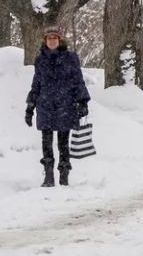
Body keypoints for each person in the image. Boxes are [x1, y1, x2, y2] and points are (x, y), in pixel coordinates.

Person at [25, 26, 90, 188]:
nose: (52, 41)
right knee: (46, 142)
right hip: (45, 105)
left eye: (55, 38)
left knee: (63, 142)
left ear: (60, 40)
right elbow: (36, 84)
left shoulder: (71, 58)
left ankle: (64, 174)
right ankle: (48, 176)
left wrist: (82, 101)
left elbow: (78, 80)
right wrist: (30, 106)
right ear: (45, 41)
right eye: (49, 38)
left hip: (65, 104)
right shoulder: (40, 60)